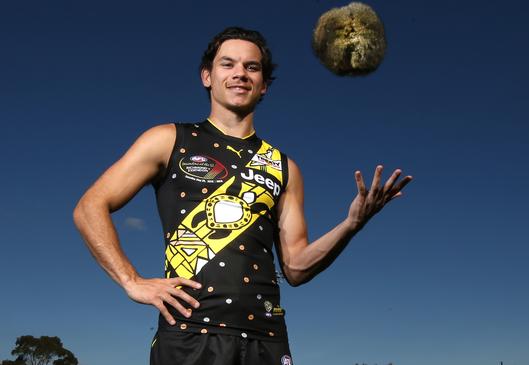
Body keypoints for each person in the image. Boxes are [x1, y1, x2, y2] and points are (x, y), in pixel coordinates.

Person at [73, 26, 412, 365]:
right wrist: (131, 281)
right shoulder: (167, 139)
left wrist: (351, 225)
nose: (240, 73)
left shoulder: (284, 167)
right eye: (228, 64)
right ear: (207, 76)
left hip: (268, 338)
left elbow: (295, 267)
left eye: (252, 67)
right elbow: (90, 207)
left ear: (263, 85)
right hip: (190, 336)